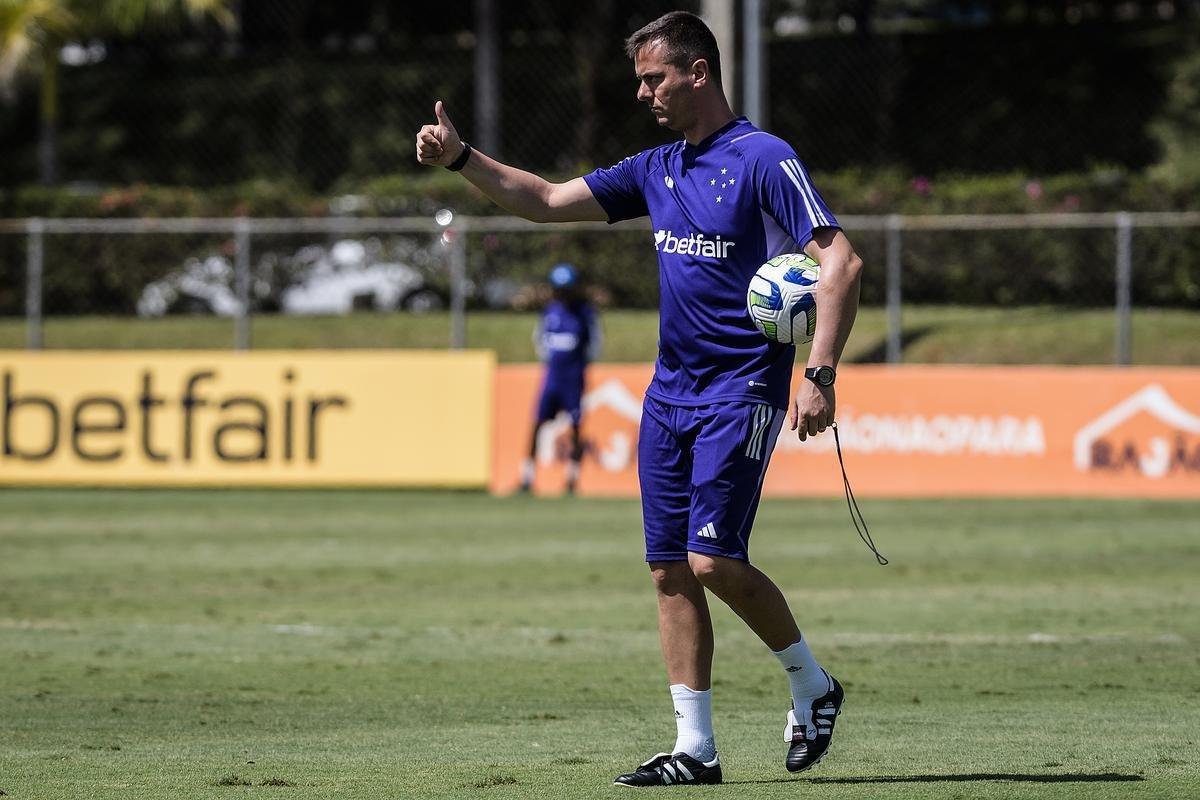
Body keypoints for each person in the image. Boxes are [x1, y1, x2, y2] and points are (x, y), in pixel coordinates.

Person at [416, 10, 863, 787]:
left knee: (713, 559)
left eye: (654, 78)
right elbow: (547, 201)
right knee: (669, 571)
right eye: (639, 81)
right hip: (669, 395)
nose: (644, 93)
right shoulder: (656, 168)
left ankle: (811, 684)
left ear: (698, 71)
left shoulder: (764, 158)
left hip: (742, 389)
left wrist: (819, 372)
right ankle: (695, 749)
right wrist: (461, 159)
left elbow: (842, 264)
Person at [519, 262, 601, 496]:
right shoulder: (550, 311)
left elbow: (594, 343)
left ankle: (572, 478)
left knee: (575, 425)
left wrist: (583, 364)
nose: (563, 294)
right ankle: (527, 477)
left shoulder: (585, 313)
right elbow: (540, 339)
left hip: (573, 376)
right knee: (537, 422)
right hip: (552, 376)